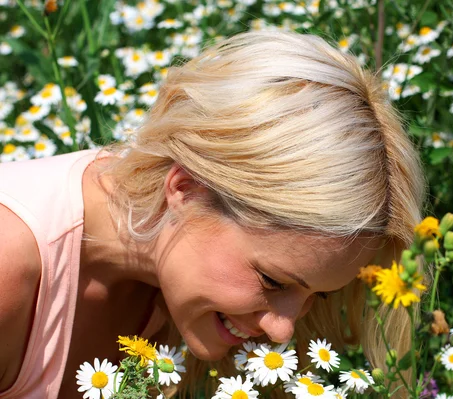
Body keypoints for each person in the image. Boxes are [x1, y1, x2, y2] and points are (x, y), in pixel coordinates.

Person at [0, 31, 424, 398]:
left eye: (319, 295)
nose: (283, 332)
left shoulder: (176, 283)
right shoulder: (10, 266)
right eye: (272, 281)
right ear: (185, 189)